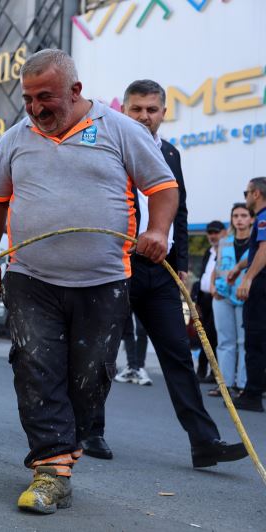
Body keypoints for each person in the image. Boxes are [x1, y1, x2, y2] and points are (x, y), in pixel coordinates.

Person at [0, 51, 194, 515]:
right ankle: (51, 471)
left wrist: (157, 231)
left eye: (47, 98)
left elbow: (162, 187)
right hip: (30, 278)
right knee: (35, 365)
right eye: (28, 99)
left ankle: (65, 448)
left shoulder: (121, 130)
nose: (36, 108)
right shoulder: (15, 139)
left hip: (104, 281)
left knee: (91, 374)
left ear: (75, 92)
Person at [83, 79, 246, 469]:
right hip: (116, 266)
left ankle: (204, 442)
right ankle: (90, 430)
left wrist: (184, 268)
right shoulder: (108, 148)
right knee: (102, 352)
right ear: (123, 110)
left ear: (163, 112)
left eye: (151, 110)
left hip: (162, 272)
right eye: (136, 109)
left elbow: (181, 209)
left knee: (177, 355)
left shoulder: (170, 153)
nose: (144, 117)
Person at [230, 177, 266, 412]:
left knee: (255, 340)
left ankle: (252, 394)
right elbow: (255, 252)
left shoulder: (263, 218)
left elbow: (264, 249)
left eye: (246, 192)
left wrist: (248, 278)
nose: (245, 197)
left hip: (261, 287)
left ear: (255, 194)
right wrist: (239, 267)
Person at [208, 204, 252, 396]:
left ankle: (242, 385)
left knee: (244, 342)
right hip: (222, 295)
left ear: (251, 219)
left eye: (243, 215)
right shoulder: (225, 241)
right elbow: (217, 267)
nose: (239, 219)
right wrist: (212, 286)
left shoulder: (257, 242)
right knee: (225, 341)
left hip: (245, 295)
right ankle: (224, 385)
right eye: (235, 216)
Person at [192, 220, 225, 382]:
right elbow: (202, 277)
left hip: (218, 297)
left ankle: (214, 373)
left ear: (224, 233)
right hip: (204, 298)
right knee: (202, 336)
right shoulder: (208, 252)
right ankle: (201, 370)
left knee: (214, 336)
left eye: (216, 232)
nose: (213, 236)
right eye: (210, 233)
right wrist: (196, 300)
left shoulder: (225, 251)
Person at [115, 314, 151, 385]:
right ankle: (132, 367)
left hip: (143, 303)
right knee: (127, 328)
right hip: (127, 302)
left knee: (142, 329)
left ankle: (139, 368)